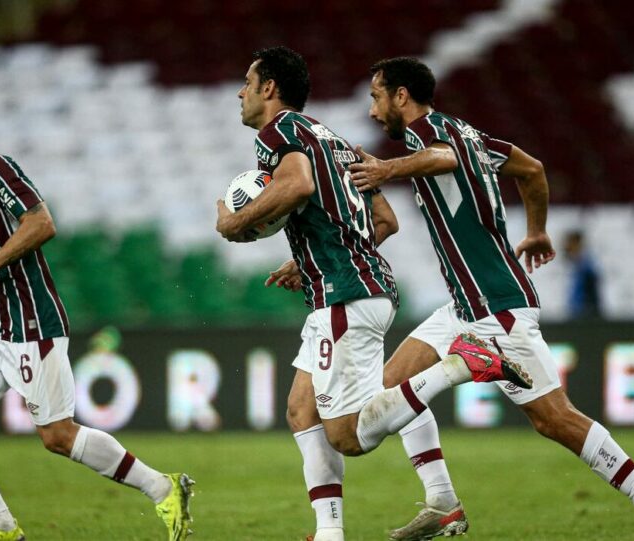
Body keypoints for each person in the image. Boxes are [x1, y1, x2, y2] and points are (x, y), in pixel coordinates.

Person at [215, 47, 530, 541]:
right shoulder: (333, 140)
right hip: (355, 285)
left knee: (348, 436)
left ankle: (461, 365)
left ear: (269, 88)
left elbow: (295, 186)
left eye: (247, 81)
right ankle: (329, 533)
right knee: (302, 408)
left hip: (344, 293)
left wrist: (236, 223)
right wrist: (311, 259)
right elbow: (385, 219)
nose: (240, 91)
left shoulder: (279, 132)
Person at [347, 56, 634, 541]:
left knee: (553, 418)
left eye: (376, 96)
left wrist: (389, 169)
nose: (373, 111)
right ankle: (443, 503)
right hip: (462, 306)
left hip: (496, 307)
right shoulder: (476, 136)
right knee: (390, 392)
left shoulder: (429, 132)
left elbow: (443, 157)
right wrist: (536, 231)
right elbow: (532, 170)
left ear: (401, 96)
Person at [0, 90, 194, 541]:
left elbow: (43, 223)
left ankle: (163, 488)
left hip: (33, 322)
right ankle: (0, 523)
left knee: (58, 436)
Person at [563, 230, 602, 319]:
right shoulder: (575, 264)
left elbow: (591, 284)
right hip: (575, 310)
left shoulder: (586, 263)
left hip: (585, 312)